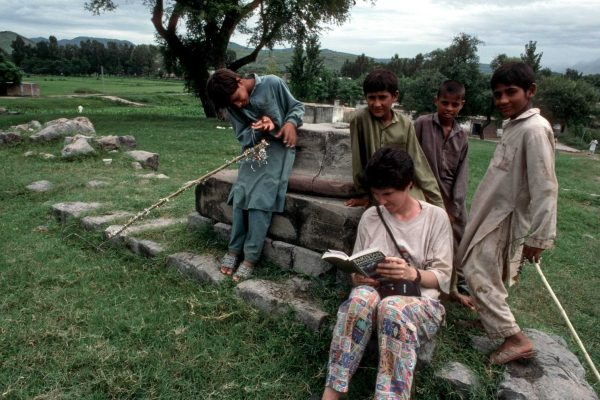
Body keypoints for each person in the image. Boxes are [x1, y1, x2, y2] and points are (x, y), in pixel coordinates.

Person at [323, 147, 453, 399]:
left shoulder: (436, 218)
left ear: (409, 185)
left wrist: (411, 273)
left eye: (388, 194)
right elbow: (356, 266)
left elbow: (442, 278)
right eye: (375, 194)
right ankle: (332, 392)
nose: (381, 201)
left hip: (417, 300)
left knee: (392, 308)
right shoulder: (371, 216)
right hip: (375, 292)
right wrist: (358, 277)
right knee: (360, 297)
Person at [456, 62, 558, 365]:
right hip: (490, 211)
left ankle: (516, 339)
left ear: (531, 92)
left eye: (510, 93)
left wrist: (540, 235)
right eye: (497, 94)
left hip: (505, 217)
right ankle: (490, 321)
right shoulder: (516, 124)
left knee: (477, 268)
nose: (502, 100)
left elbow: (546, 186)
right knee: (491, 271)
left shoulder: (536, 130)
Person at [206, 69, 304, 281]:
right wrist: (260, 130)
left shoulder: (272, 83)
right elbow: (244, 138)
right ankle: (233, 251)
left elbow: (297, 107)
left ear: (239, 81)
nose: (239, 105)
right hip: (253, 153)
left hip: (278, 152)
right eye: (233, 104)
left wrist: (288, 124)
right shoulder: (232, 104)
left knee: (260, 201)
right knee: (240, 195)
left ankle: (250, 257)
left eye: (238, 99)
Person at [345, 68, 444, 210]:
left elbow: (419, 164)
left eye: (382, 97)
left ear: (395, 96)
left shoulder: (405, 125)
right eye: (371, 98)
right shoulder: (360, 120)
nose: (377, 104)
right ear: (365, 97)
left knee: (419, 212)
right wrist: (363, 194)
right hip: (378, 192)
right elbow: (358, 161)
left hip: (403, 188)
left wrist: (439, 204)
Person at [414, 80, 474, 310]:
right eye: (445, 103)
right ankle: (426, 279)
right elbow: (412, 154)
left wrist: (454, 208)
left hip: (452, 196)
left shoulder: (461, 135)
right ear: (436, 101)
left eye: (455, 105)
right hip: (424, 190)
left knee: (459, 237)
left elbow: (462, 173)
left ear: (462, 105)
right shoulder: (422, 124)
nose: (449, 108)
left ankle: (458, 284)